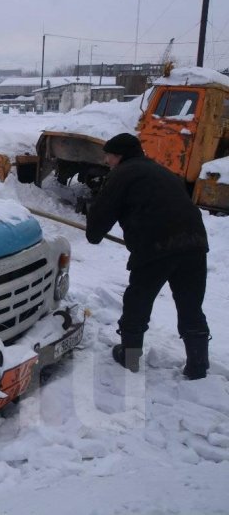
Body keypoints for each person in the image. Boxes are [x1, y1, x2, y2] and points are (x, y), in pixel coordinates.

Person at [85, 132, 210, 379]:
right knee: (190, 305)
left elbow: (103, 211)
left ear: (119, 156)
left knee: (138, 302)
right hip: (195, 243)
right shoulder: (160, 170)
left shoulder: (122, 174)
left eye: (109, 156)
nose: (107, 161)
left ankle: (130, 358)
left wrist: (94, 234)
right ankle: (198, 365)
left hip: (156, 246)